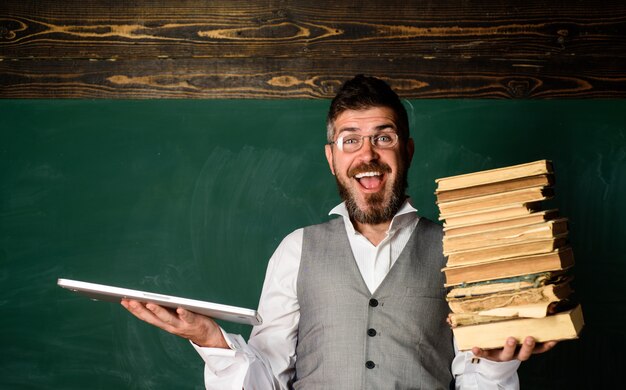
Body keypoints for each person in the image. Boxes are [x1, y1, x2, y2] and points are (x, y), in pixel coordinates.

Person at [122, 75, 556, 389]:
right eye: (351, 140)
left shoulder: (458, 248)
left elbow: (477, 379)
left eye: (383, 138)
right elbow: (265, 380)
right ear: (332, 158)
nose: (367, 154)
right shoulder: (296, 250)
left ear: (406, 151)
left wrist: (497, 365)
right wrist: (211, 340)